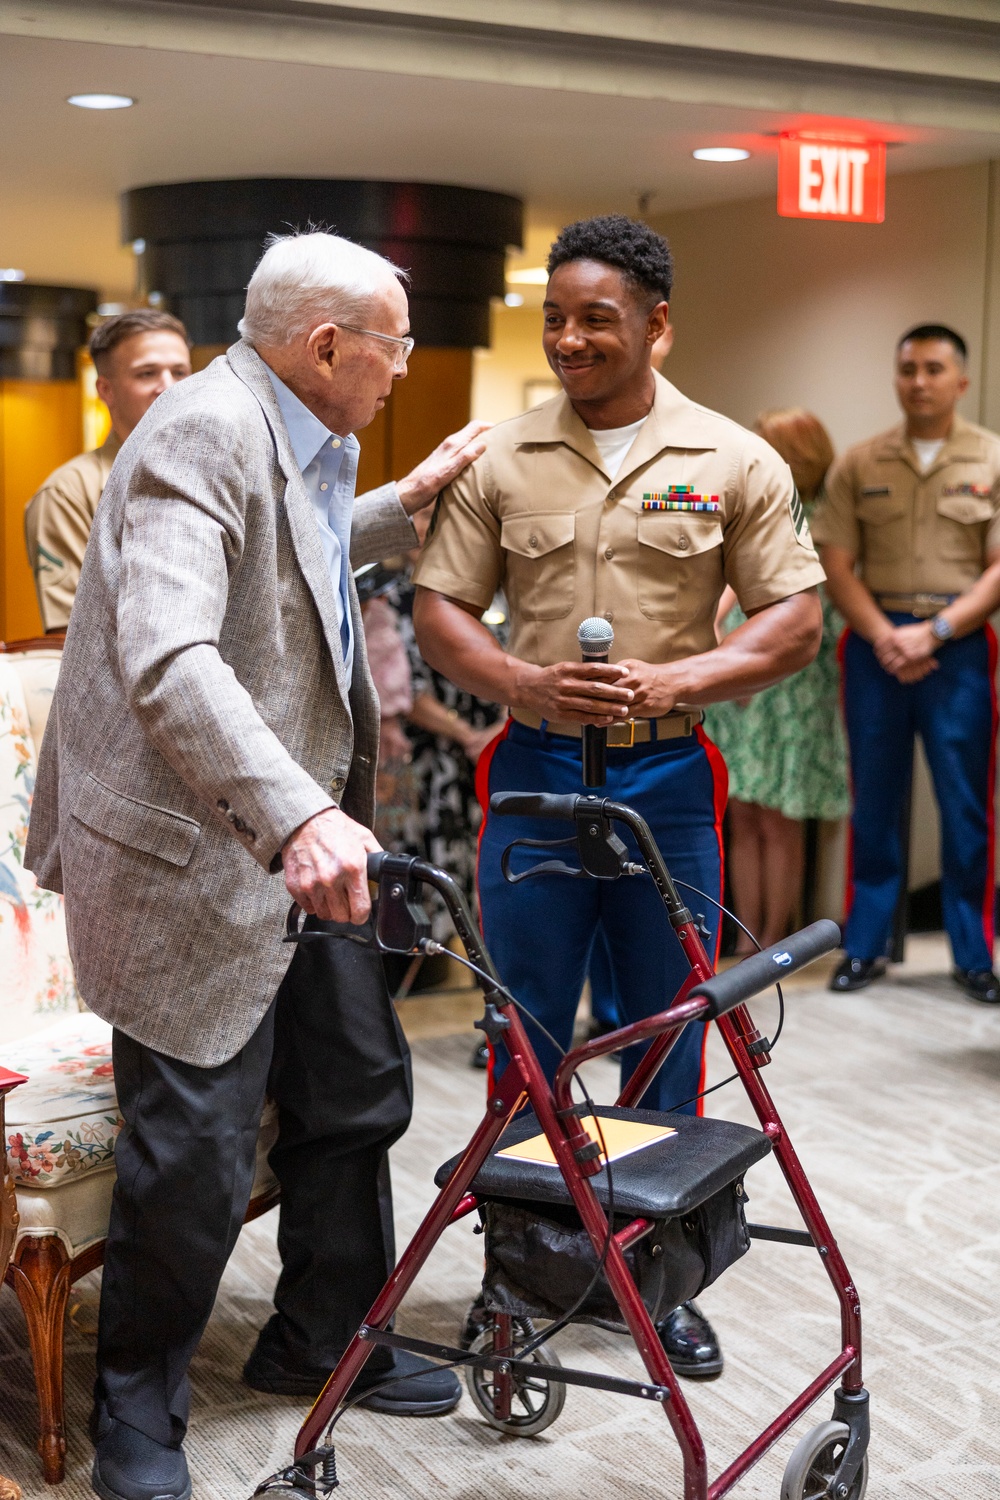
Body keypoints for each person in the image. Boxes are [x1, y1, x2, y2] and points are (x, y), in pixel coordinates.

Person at [24, 230, 489, 1500]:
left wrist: (407, 504)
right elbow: (171, 656)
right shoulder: (199, 430)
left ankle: (317, 1338)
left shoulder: (290, 433)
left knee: (356, 1093)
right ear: (325, 345)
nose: (403, 368)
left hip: (302, 843)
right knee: (196, 1155)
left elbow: (294, 558)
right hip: (201, 851)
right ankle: (136, 1412)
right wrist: (295, 818)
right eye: (391, 346)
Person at [412, 214, 825, 1379]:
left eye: (596, 317)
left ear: (656, 323)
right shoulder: (502, 459)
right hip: (535, 774)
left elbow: (793, 620)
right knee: (523, 1027)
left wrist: (679, 675)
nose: (569, 338)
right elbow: (442, 609)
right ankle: (523, 1260)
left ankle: (650, 1271)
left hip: (666, 778)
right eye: (553, 317)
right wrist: (514, 676)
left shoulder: (734, 458)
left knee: (666, 1028)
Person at [813, 324, 1000, 1002]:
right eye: (907, 369)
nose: (918, 381)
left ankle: (973, 953)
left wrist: (937, 631)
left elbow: (998, 568)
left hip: (959, 644)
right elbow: (835, 563)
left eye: (932, 368)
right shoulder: (861, 463)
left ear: (961, 381)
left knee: (966, 804)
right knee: (875, 800)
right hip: (875, 643)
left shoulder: (991, 459)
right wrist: (889, 637)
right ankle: (864, 945)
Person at [704, 410, 851, 950]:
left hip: (789, 689)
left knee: (779, 817)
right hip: (735, 680)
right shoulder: (749, 512)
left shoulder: (818, 522)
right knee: (742, 813)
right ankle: (745, 937)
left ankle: (775, 934)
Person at [25, 309, 193, 632]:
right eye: (147, 373)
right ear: (106, 390)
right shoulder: (68, 493)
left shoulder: (220, 474)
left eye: (180, 372)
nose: (168, 387)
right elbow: (73, 638)